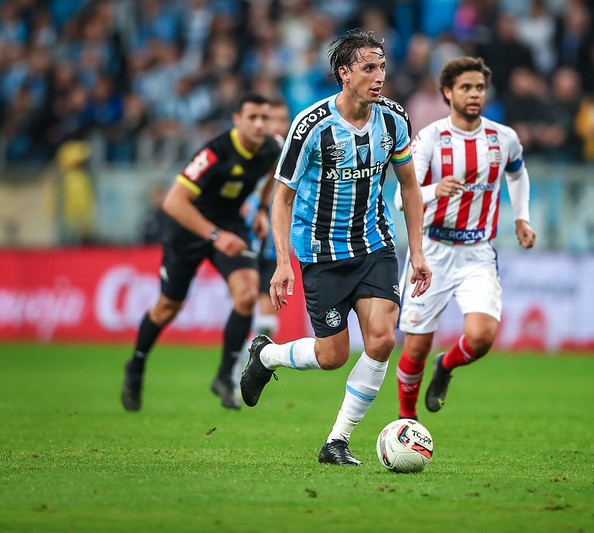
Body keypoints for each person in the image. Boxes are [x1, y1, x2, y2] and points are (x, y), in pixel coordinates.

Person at [239, 30, 432, 466]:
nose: (379, 76)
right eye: (369, 68)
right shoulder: (311, 125)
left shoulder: (394, 119)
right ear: (345, 73)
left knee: (382, 340)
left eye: (382, 67)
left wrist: (417, 252)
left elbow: (409, 186)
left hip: (374, 244)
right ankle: (266, 355)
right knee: (333, 356)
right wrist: (283, 263)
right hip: (321, 254)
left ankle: (337, 441)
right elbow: (282, 198)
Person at [393, 56, 536, 421]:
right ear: (447, 92)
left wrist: (522, 218)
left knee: (482, 336)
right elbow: (401, 198)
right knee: (416, 347)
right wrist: (434, 190)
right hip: (433, 250)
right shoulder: (429, 138)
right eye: (466, 87)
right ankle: (407, 420)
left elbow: (518, 174)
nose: (474, 94)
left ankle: (446, 365)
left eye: (480, 88)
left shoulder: (503, 138)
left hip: (477, 251)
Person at [121, 93, 281, 411]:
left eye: (264, 118)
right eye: (252, 117)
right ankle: (136, 364)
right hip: (188, 230)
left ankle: (224, 376)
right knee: (167, 308)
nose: (259, 124)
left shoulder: (272, 148)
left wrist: (263, 209)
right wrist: (215, 235)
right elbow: (173, 202)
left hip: (230, 225)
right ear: (237, 120)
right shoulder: (214, 154)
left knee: (247, 294)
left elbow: (271, 174)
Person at [241, 98, 292, 341]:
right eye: (273, 119)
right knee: (243, 303)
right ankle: (237, 358)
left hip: (275, 244)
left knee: (268, 321)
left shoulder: (293, 154)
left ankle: (251, 358)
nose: (278, 125)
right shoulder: (249, 152)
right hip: (246, 237)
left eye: (283, 120)